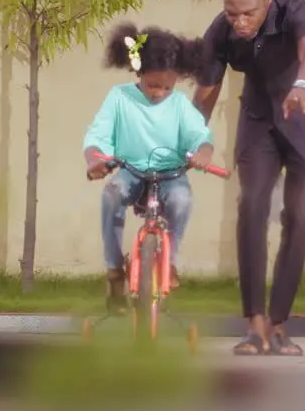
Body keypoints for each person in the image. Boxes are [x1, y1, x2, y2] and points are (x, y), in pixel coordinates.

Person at [194, 0, 305, 357]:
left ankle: (279, 323)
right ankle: (254, 323)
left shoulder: (295, 10)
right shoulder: (221, 32)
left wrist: (301, 85)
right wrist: (193, 138)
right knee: (252, 205)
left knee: (298, 215)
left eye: (248, 13)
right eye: (231, 13)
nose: (240, 22)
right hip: (259, 119)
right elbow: (206, 90)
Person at [84, 22, 216, 310]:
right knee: (112, 194)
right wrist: (95, 159)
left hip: (171, 173)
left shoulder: (180, 104)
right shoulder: (119, 98)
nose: (159, 92)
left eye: (167, 87)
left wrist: (203, 152)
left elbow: (199, 135)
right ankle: (114, 270)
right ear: (139, 72)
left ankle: (169, 262)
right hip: (131, 170)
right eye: (152, 85)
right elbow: (98, 135)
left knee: (182, 200)